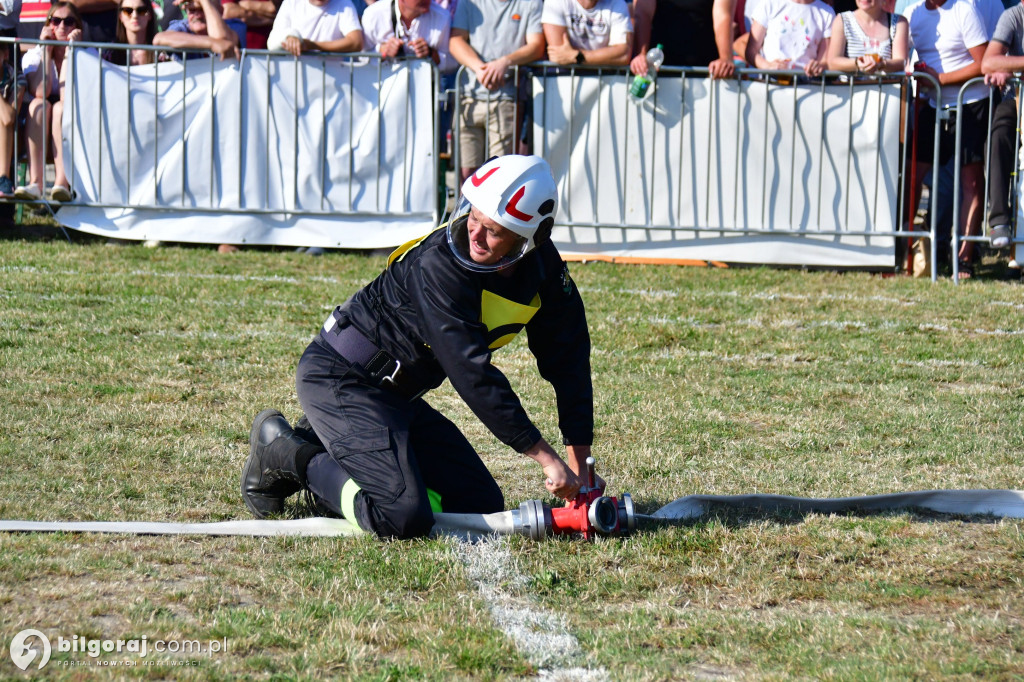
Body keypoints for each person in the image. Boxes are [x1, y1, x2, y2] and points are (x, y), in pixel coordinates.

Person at [241, 155, 596, 539]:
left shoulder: (544, 268)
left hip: (396, 397)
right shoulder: (438, 265)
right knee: (402, 515)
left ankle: (326, 437)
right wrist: (544, 457)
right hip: (341, 377)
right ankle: (288, 454)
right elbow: (472, 373)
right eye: (472, 217)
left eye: (492, 231)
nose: (473, 234)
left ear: (528, 241)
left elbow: (569, 359)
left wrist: (581, 460)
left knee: (478, 504)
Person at [904, 0, 989, 279]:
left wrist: (941, 78)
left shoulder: (964, 10)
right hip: (930, 105)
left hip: (971, 101)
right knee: (914, 176)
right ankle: (904, 249)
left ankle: (963, 258)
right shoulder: (912, 14)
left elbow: (983, 63)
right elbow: (900, 60)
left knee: (971, 181)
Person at [448, 0, 545, 181]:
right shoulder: (469, 2)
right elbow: (455, 40)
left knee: (500, 174)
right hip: (468, 99)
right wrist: (480, 69)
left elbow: (537, 46)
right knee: (467, 176)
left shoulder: (531, 3)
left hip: (507, 99)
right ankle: (467, 211)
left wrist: (504, 62)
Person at [15, 1, 83, 203]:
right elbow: (40, 91)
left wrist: (70, 51)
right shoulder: (35, 54)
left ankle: (61, 183)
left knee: (61, 108)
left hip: (75, 119)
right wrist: (46, 50)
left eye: (69, 21)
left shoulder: (86, 53)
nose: (62, 26)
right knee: (38, 105)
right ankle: (36, 183)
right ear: (48, 24)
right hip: (42, 118)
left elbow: (65, 96)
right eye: (56, 21)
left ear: (77, 27)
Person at [980, 1, 1024, 250]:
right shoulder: (1013, 16)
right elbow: (989, 63)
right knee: (997, 136)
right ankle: (999, 221)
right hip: (1016, 99)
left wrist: (1010, 67)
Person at [631, 0, 737, 79]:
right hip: (657, 71)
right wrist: (642, 55)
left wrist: (725, 58)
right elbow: (643, 14)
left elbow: (723, 15)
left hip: (706, 72)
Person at [744, 0, 835, 77]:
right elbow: (751, 51)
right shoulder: (769, 4)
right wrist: (767, 66)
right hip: (771, 80)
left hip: (808, 83)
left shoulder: (827, 13)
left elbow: (824, 60)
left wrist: (817, 67)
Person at [361, 0, 453, 71]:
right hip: (382, 90)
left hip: (426, 91)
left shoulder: (442, 17)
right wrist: (382, 51)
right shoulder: (374, 14)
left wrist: (431, 54)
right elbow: (361, 58)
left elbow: (452, 64)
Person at [541, 0, 633, 67]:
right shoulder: (556, 2)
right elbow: (559, 52)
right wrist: (606, 56)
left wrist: (576, 56)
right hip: (564, 79)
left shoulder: (618, 4)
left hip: (606, 84)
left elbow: (623, 55)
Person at [826, 0, 909, 73]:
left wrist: (882, 64)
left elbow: (901, 62)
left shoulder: (899, 23)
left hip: (887, 88)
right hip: (850, 88)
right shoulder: (841, 20)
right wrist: (857, 63)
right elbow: (832, 62)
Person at [153, 0, 244, 61]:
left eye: (203, 10)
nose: (198, 16)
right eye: (192, 10)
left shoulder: (235, 25)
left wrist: (205, 2)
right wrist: (211, 43)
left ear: (221, 11)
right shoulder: (182, 26)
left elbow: (223, 39)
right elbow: (159, 39)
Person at [266, 0, 363, 55]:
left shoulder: (344, 4)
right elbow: (273, 42)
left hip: (332, 86)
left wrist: (311, 45)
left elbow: (356, 42)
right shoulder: (291, 2)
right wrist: (290, 37)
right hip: (292, 82)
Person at [0, 33, 25, 199]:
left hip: (11, 139)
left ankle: (3, 178)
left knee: (2, 119)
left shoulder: (18, 77)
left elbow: (9, 117)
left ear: (6, 54)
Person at [104, 0, 158, 65]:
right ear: (120, 16)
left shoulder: (160, 52)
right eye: (127, 11)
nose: (134, 16)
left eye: (141, 10)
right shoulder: (110, 53)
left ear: (150, 15)